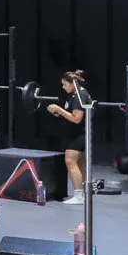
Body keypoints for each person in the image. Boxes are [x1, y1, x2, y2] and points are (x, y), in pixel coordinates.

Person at [45, 69, 87, 204]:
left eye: (65, 84)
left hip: (78, 135)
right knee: (78, 163)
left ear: (73, 83)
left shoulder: (80, 96)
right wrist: (57, 112)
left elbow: (77, 119)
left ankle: (79, 196)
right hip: (74, 135)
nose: (63, 87)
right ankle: (82, 194)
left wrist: (59, 109)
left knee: (70, 161)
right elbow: (69, 114)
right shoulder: (75, 95)